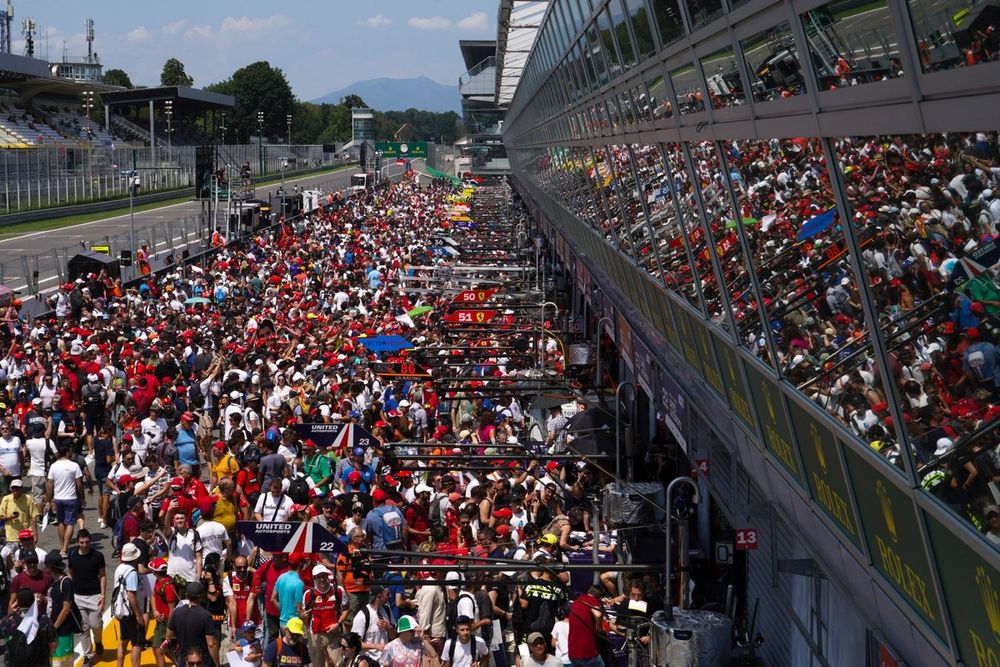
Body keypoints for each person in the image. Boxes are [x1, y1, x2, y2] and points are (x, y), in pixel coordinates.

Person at [67, 529, 106, 664]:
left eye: (87, 542)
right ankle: (88, 656)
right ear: (78, 542)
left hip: (95, 595)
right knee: (84, 628)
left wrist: (103, 595)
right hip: (78, 597)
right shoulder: (72, 555)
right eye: (82, 542)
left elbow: (102, 575)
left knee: (96, 625)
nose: (85, 545)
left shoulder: (98, 556)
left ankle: (98, 641)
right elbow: (71, 572)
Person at [303, 563, 345, 667]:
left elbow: (346, 609)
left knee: (337, 664)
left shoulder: (338, 590)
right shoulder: (308, 594)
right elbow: (305, 616)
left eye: (324, 576)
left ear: (327, 576)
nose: (322, 579)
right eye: (318, 577)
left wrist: (338, 623)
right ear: (314, 578)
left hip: (334, 634)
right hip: (316, 635)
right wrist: (303, 617)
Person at [44, 552, 82, 667]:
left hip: (63, 631)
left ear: (50, 567)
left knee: (62, 663)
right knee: (54, 662)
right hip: (53, 629)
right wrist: (43, 598)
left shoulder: (66, 582)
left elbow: (66, 608)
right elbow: (54, 601)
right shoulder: (52, 580)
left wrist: (54, 628)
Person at [112, 543, 147, 667]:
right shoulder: (132, 573)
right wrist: (138, 615)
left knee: (123, 641)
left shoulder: (120, 568)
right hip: (132, 613)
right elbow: (131, 595)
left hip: (122, 611)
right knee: (137, 644)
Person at [0, 587, 56, 665]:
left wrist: (11, 611)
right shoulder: (44, 620)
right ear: (33, 602)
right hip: (39, 663)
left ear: (17, 602)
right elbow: (53, 643)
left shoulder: (8, 621)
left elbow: (5, 639)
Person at [167, 581, 217, 666]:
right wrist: (217, 664)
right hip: (201, 661)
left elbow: (169, 636)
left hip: (184, 660)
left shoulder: (177, 612)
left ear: (187, 596)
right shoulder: (206, 615)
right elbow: (211, 644)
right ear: (202, 596)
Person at [46, 446, 83, 557]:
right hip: (71, 498)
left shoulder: (54, 466)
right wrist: (82, 498)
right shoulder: (74, 465)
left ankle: (63, 545)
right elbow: (79, 484)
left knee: (60, 522)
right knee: (70, 523)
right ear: (67, 451)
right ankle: (65, 548)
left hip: (58, 498)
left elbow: (49, 484)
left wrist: (49, 499)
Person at [351, 585, 395, 663]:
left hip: (385, 661)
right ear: (379, 596)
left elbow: (393, 636)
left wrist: (389, 628)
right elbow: (355, 644)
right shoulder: (362, 616)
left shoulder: (387, 610)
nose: (390, 596)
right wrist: (375, 646)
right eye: (387, 594)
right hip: (368, 662)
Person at [150, 558, 178, 667]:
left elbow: (172, 608)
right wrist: (155, 610)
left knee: (160, 649)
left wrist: (169, 629)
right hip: (160, 621)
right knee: (161, 649)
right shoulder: (158, 581)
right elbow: (153, 595)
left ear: (155, 571)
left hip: (166, 623)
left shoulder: (168, 586)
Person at [566, 586, 605, 667]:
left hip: (573, 652)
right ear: (599, 597)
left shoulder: (577, 600)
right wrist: (599, 627)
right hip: (587, 653)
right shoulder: (592, 601)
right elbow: (598, 614)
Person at [273, 553, 310, 629]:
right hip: (294, 625)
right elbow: (299, 609)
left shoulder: (281, 577)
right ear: (300, 564)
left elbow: (273, 598)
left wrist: (283, 611)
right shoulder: (299, 583)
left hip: (283, 623)